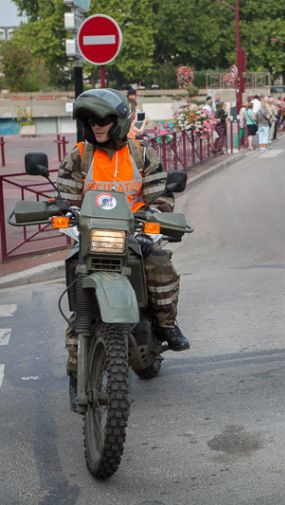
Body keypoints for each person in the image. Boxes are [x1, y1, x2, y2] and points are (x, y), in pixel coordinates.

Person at [57, 88, 190, 411]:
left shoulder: (142, 154)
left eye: (103, 119)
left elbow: (161, 196)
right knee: (77, 303)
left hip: (133, 233)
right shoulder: (79, 156)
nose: (97, 126)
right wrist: (60, 214)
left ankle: (167, 324)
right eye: (90, 120)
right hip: (91, 236)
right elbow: (66, 199)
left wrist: (152, 222)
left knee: (161, 263)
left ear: (118, 121)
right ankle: (77, 376)